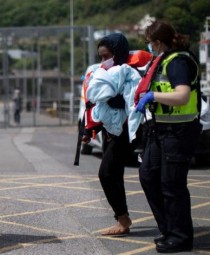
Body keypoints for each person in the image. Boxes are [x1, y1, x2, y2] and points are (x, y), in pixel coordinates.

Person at [136, 20, 201, 253]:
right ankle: (168, 228)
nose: (149, 47)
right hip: (161, 129)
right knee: (148, 175)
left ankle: (180, 237)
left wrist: (152, 96)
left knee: (172, 185)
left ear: (158, 42)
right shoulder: (163, 59)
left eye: (150, 43)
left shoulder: (178, 62)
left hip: (179, 131)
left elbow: (182, 96)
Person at [83, 33, 143, 237]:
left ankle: (123, 219)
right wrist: (91, 129)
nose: (102, 61)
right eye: (100, 57)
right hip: (111, 132)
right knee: (114, 174)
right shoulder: (108, 74)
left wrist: (111, 99)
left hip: (126, 132)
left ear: (117, 54)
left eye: (106, 56)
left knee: (106, 173)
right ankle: (122, 219)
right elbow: (102, 107)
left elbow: (130, 104)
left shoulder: (129, 74)